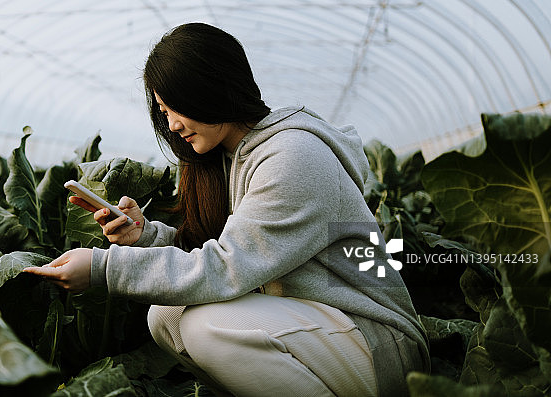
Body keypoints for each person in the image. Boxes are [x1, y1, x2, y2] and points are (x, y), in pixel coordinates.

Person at [24, 22, 430, 396]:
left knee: (205, 328)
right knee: (166, 316)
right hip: (317, 327)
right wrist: (144, 235)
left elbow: (224, 269)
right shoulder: (228, 157)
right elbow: (221, 253)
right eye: (163, 113)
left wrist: (102, 267)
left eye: (175, 108)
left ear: (211, 90)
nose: (172, 126)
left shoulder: (293, 156)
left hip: (378, 342)